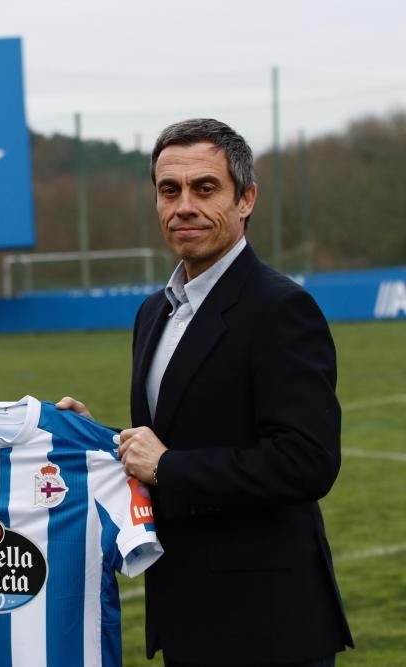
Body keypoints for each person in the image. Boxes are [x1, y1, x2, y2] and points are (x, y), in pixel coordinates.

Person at [61, 118, 353, 666]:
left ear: (246, 200)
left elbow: (308, 462)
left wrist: (168, 467)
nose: (184, 206)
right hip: (187, 611)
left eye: (205, 188)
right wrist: (94, 439)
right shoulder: (155, 312)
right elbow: (173, 438)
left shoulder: (279, 308)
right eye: (169, 190)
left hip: (267, 625)